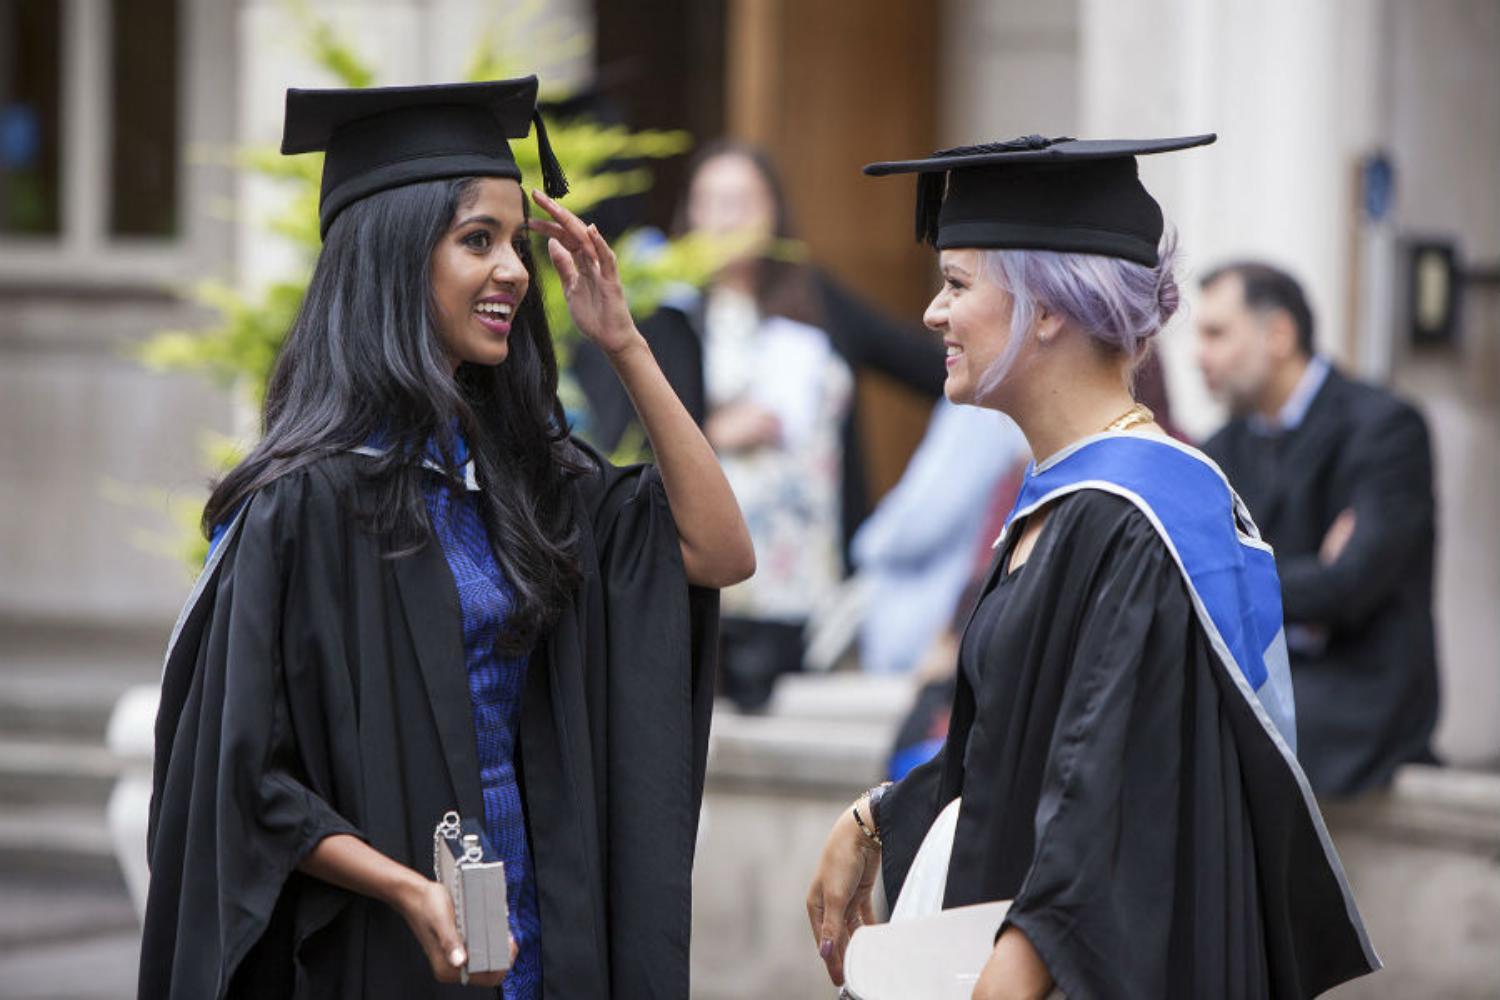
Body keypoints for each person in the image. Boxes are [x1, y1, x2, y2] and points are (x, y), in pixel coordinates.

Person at [140, 77, 754, 999]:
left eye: (517, 242)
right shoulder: (303, 505)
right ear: (394, 257)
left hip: (534, 931)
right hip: (385, 945)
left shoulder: (521, 477)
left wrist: (624, 343)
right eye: (478, 241)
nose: (513, 268)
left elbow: (718, 552)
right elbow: (243, 781)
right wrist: (406, 889)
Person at [805, 134, 1379, 999]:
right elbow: (1023, 745)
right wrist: (879, 817)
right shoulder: (1062, 502)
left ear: (1046, 309)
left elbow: (1105, 798)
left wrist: (1012, 974)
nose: (931, 312)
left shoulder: (1136, 521)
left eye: (957, 284)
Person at [1196, 261, 1440, 796]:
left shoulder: (1383, 428)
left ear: (1279, 335)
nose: (1199, 355)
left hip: (1358, 699)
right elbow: (1196, 584)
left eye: (1216, 333)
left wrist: (1243, 579)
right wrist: (1310, 579)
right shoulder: (1219, 450)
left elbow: (1352, 586)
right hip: (1266, 683)